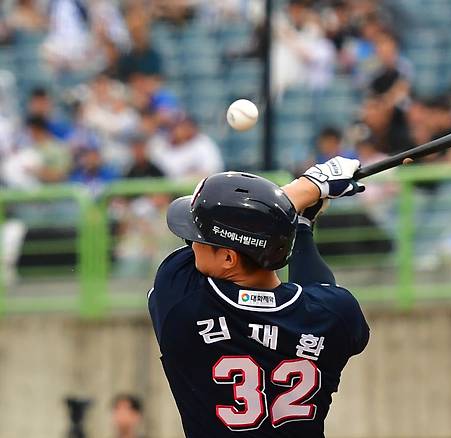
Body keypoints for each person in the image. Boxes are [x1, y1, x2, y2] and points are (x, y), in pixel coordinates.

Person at [148, 156, 369, 437]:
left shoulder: (182, 303)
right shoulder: (338, 314)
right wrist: (297, 223)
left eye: (198, 239)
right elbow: (321, 294)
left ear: (229, 258)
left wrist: (302, 191)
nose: (191, 244)